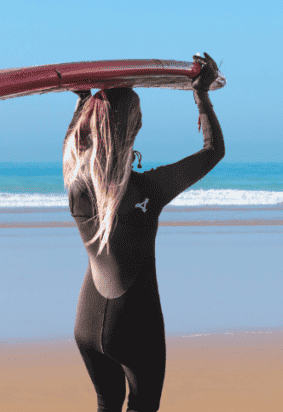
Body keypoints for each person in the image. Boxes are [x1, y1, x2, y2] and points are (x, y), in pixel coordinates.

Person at [63, 53, 224, 412]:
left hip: (87, 323)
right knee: (143, 405)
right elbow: (213, 151)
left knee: (107, 402)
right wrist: (201, 95)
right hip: (134, 323)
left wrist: (81, 100)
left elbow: (75, 144)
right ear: (132, 129)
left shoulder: (74, 183)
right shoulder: (149, 189)